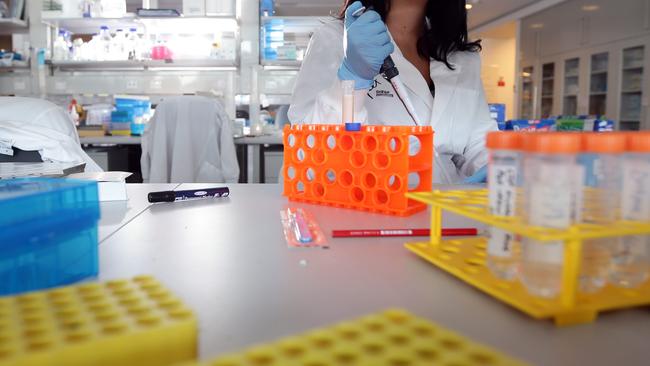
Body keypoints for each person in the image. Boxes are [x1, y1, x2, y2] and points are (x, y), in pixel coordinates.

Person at [288, 0, 494, 184]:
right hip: (368, 208)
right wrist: (353, 77)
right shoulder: (336, 39)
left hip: (447, 215)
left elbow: (477, 143)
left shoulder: (461, 57)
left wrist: (499, 167)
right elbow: (308, 153)